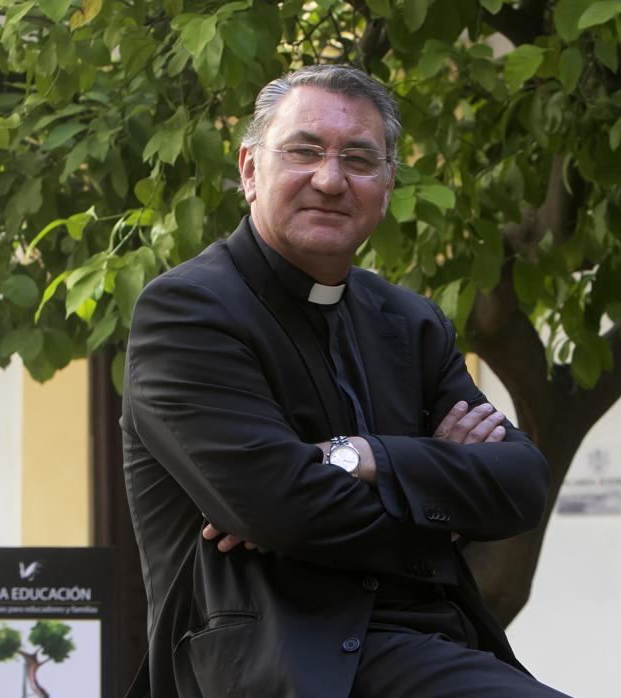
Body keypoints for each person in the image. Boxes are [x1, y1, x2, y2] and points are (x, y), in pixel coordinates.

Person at [121, 64, 566, 697]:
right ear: (249, 169)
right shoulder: (190, 311)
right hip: (277, 655)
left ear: (386, 186)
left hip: (433, 642)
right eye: (304, 152)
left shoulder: (410, 322)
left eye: (359, 160)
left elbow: (521, 482)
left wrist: (362, 457)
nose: (330, 180)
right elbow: (282, 509)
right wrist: (443, 499)